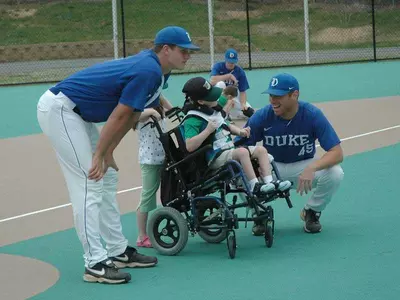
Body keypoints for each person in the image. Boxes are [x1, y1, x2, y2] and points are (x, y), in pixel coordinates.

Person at [36, 25, 200, 284]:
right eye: (184, 51)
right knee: (89, 181)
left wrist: (108, 152)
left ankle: (117, 251)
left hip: (79, 115)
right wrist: (100, 152)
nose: (188, 56)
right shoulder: (148, 70)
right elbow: (120, 115)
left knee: (108, 176)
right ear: (166, 49)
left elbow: (133, 114)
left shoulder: (159, 73)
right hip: (61, 111)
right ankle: (95, 264)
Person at [240, 73, 344, 235]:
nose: (272, 100)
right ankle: (259, 214)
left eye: (278, 96)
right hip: (272, 168)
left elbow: (337, 153)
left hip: (302, 165)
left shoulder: (311, 114)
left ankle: (311, 211)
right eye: (271, 95)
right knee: (237, 174)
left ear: (294, 95)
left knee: (335, 173)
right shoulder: (261, 116)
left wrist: (312, 167)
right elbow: (241, 149)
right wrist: (255, 164)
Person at [181, 77, 291, 196]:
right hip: (215, 157)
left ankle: (270, 183)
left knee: (261, 150)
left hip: (228, 151)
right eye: (212, 96)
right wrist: (207, 131)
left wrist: (240, 132)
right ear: (201, 102)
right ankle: (255, 185)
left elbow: (225, 125)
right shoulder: (192, 119)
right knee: (242, 152)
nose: (217, 98)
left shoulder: (212, 109)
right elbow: (190, 146)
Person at [134, 95, 171, 248]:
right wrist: (149, 110)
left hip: (163, 157)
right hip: (149, 160)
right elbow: (134, 117)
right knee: (148, 196)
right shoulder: (140, 113)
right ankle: (141, 236)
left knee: (169, 190)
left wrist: (159, 95)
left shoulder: (158, 109)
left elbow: (170, 107)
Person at [210, 48, 253, 119]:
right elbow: (212, 80)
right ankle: (219, 111)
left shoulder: (240, 71)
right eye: (229, 62)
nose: (230, 64)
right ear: (225, 60)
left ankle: (231, 113)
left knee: (248, 111)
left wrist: (243, 104)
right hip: (219, 98)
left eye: (232, 62)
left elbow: (242, 91)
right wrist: (229, 76)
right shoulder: (218, 66)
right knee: (221, 84)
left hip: (232, 97)